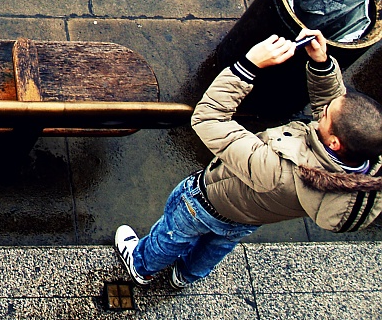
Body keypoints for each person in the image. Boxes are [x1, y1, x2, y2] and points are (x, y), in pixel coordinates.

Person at [115, 28, 382, 289]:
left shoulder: (277, 169)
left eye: (324, 115)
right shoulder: (365, 170)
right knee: (217, 245)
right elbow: (340, 119)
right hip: (250, 216)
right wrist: (322, 65)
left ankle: (142, 266)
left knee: (173, 234)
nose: (321, 112)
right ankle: (186, 276)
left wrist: (248, 64)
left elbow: (208, 118)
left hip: (207, 202)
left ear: (334, 143)